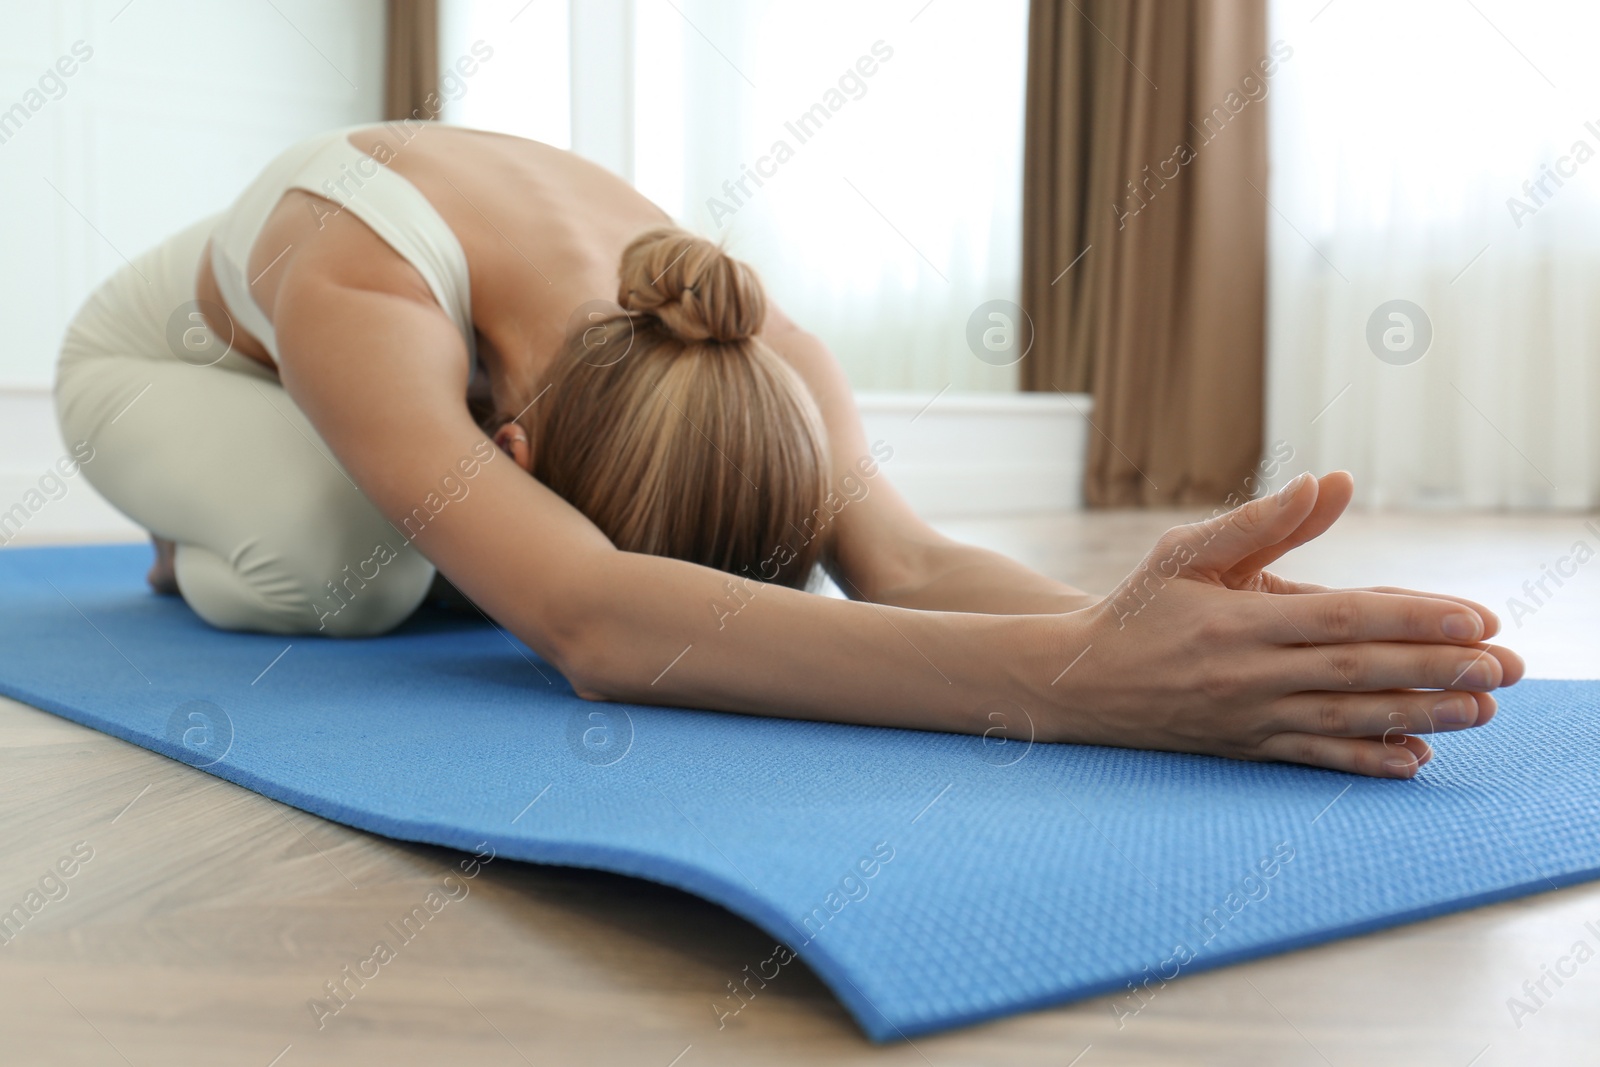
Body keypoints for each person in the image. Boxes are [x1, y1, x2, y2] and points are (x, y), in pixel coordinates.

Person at [54, 122, 1523, 780]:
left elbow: (914, 563)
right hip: (158, 363)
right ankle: (193, 541)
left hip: (425, 381)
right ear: (506, 448)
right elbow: (589, 619)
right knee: (353, 577)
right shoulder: (367, 285)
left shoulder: (763, 354)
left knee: (436, 571)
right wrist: (1083, 687)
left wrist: (1178, 629)